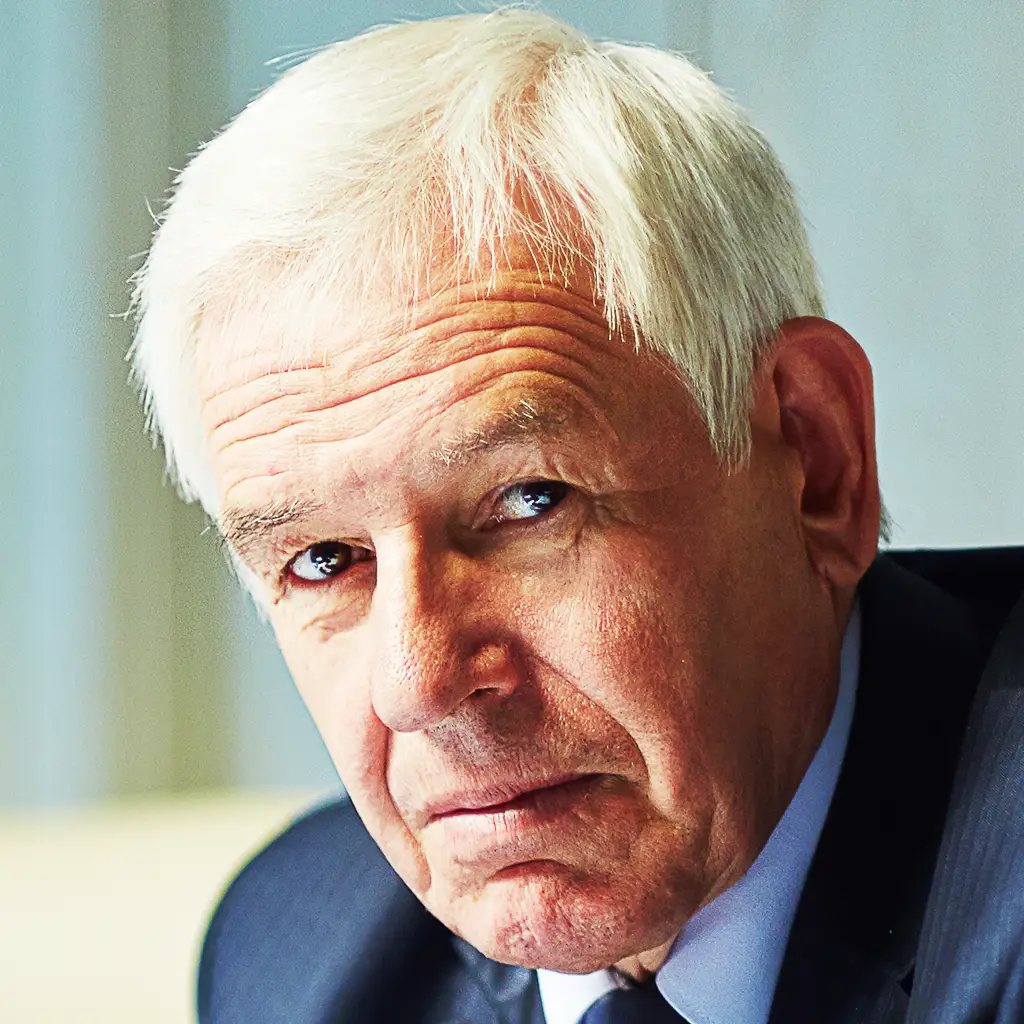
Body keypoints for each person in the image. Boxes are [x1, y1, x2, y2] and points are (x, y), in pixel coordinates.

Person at [130, 10, 1024, 1023]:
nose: (419, 682)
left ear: (815, 461)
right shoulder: (296, 952)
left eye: (529, 501)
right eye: (325, 559)